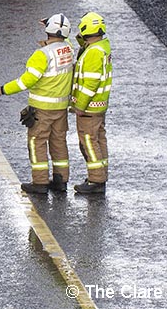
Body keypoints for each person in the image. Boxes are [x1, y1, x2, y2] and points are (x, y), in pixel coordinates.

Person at [0, 13, 75, 195]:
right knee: (58, 143)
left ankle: (40, 182)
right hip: (61, 108)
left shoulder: (41, 55)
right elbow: (64, 40)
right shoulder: (69, 49)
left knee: (37, 142)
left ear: (48, 30)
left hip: (42, 109)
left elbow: (27, 81)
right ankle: (61, 180)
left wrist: (4, 89)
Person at [71, 11, 112, 194]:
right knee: (98, 139)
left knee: (88, 141)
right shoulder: (101, 46)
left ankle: (96, 180)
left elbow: (91, 83)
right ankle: (101, 175)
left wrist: (80, 105)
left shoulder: (93, 53)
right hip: (99, 106)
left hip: (89, 107)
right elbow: (84, 49)